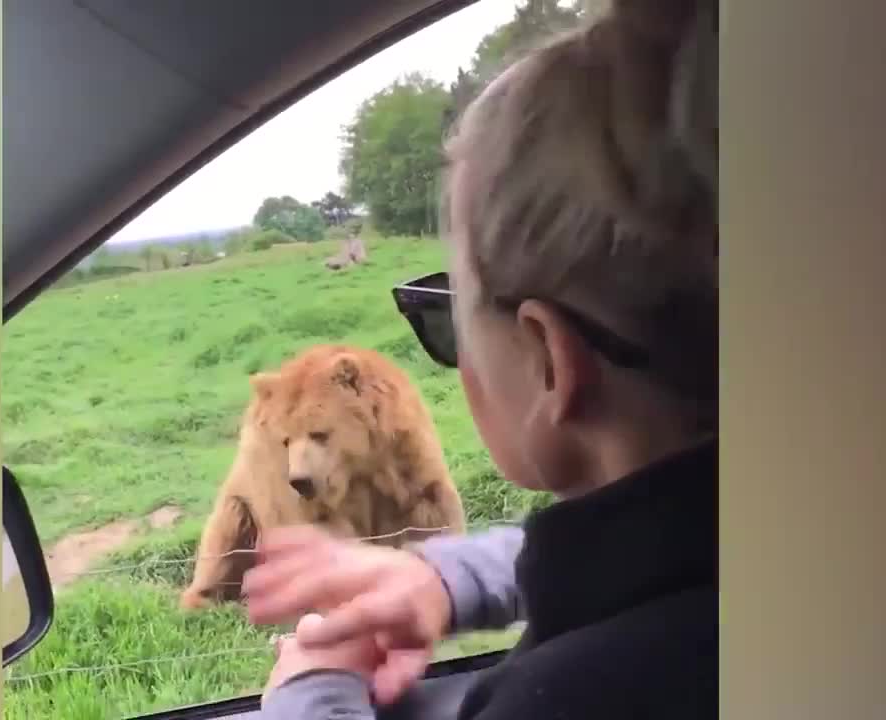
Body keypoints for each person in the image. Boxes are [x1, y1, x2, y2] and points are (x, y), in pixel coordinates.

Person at [244, 0, 718, 716]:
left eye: (451, 317)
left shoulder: (570, 699)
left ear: (551, 361)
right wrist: (448, 578)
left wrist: (310, 690)